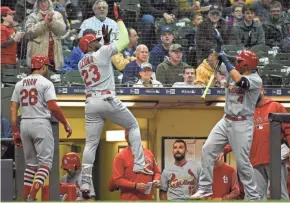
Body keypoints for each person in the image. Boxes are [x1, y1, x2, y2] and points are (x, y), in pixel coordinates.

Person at [77, 4, 150, 198]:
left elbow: (102, 56)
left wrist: (106, 42)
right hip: (107, 98)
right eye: (95, 41)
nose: (98, 42)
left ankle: (84, 181)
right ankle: (140, 163)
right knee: (133, 126)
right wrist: (119, 20)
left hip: (90, 103)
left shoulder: (80, 62)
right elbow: (125, 40)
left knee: (90, 144)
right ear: (91, 44)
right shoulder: (101, 52)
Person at [190, 49, 262, 200]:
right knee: (207, 149)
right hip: (226, 120)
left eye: (241, 61)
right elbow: (213, 61)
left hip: (242, 123)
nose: (237, 63)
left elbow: (240, 81)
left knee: (242, 163)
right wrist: (217, 50)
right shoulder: (233, 68)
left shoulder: (256, 79)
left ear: (247, 65)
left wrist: (227, 62)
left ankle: (253, 196)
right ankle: (205, 188)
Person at [10, 54, 72, 201]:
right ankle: (32, 195)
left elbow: (13, 109)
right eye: (47, 67)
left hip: (24, 123)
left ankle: (25, 198)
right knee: (45, 164)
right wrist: (65, 123)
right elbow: (53, 107)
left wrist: (15, 131)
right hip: (40, 122)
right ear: (43, 66)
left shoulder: (19, 84)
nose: (47, 70)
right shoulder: (46, 83)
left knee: (31, 165)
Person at [220, 87, 290, 200]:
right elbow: (237, 135)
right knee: (255, 197)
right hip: (253, 162)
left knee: (280, 197)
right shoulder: (245, 111)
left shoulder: (276, 106)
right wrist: (224, 150)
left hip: (276, 161)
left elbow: (288, 128)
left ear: (261, 90)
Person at [108, 130, 161, 200]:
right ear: (126, 138)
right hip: (129, 199)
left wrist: (156, 180)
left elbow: (157, 172)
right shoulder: (120, 157)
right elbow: (117, 180)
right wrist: (135, 185)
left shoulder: (149, 153)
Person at [25, 0, 66, 71]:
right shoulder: (32, 16)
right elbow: (29, 32)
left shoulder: (57, 15)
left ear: (49, 3)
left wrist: (52, 21)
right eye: (41, 2)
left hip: (54, 53)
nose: (43, 4)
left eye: (45, 2)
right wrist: (44, 22)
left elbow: (61, 31)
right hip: (38, 53)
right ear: (37, 4)